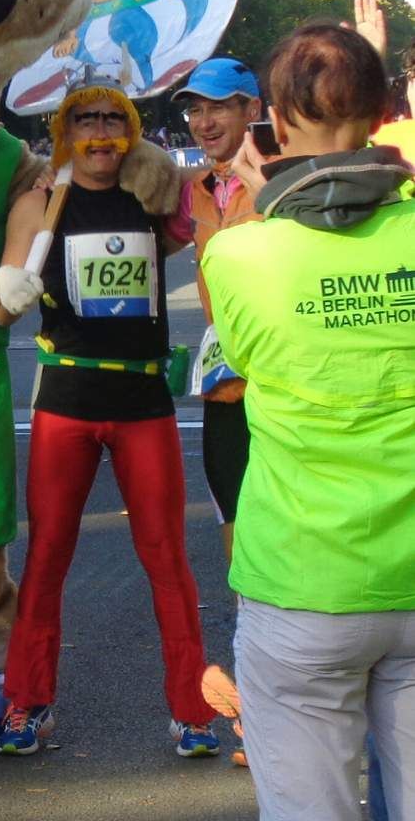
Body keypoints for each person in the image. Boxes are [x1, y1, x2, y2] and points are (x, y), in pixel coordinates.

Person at [202, 23, 415, 821]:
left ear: (276, 125)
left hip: (302, 583)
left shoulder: (242, 256)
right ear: (381, 112)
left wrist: (259, 194)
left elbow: (241, 361)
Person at [0, 79, 218, 757]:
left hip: (143, 402)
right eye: (84, 119)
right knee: (48, 556)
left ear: (132, 128)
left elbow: (207, 216)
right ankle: (27, 703)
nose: (99, 132)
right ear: (64, 130)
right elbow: (0, 311)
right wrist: (10, 290)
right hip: (68, 401)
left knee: (168, 559)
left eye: (113, 119)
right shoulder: (41, 202)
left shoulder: (153, 195)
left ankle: (193, 712)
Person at [166, 57, 262, 565]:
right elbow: (155, 242)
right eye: (196, 110)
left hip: (283, 380)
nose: (204, 122)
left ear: (253, 109)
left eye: (220, 107)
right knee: (232, 508)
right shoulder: (196, 191)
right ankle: (248, 623)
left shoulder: (283, 178)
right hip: (227, 383)